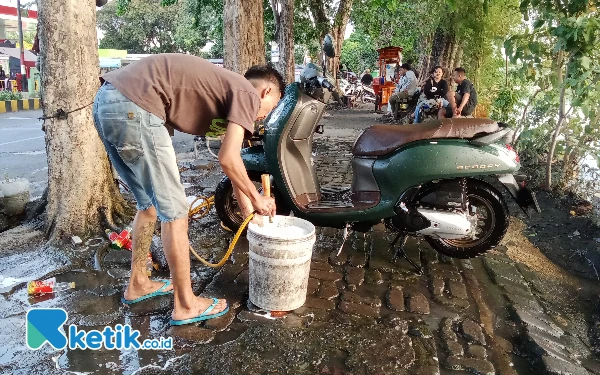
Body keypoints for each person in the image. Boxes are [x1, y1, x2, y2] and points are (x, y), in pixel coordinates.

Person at [93, 54, 282, 326]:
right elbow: (227, 159)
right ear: (266, 91)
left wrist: (248, 205)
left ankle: (138, 284)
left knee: (147, 207)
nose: (264, 116)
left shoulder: (227, 90)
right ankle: (186, 305)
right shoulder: (246, 92)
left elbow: (234, 161)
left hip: (107, 101)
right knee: (175, 213)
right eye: (270, 107)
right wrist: (258, 198)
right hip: (135, 107)